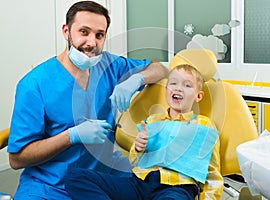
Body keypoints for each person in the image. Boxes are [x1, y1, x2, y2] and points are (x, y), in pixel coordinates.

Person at [7, 1, 168, 199]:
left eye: (99, 35)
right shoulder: (34, 85)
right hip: (49, 187)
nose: (92, 42)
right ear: (66, 32)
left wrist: (137, 79)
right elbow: (16, 159)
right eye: (84, 32)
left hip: (101, 180)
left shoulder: (110, 65)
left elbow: (159, 68)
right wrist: (71, 136)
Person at [64, 64, 224, 199]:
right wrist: (139, 148)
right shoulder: (152, 121)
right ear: (167, 89)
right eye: (173, 83)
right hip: (140, 183)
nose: (179, 89)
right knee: (75, 177)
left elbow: (212, 172)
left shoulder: (204, 125)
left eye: (187, 85)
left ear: (198, 96)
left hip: (177, 187)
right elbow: (135, 161)